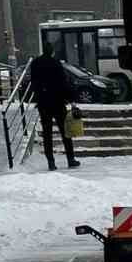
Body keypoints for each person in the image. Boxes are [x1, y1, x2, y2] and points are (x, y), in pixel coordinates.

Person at [29, 42, 80, 170]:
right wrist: (71, 99)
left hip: (43, 103)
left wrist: (39, 95)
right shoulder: (56, 63)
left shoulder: (35, 63)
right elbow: (63, 82)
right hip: (57, 101)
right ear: (52, 51)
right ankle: (70, 159)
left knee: (47, 133)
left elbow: (33, 82)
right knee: (65, 132)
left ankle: (51, 162)